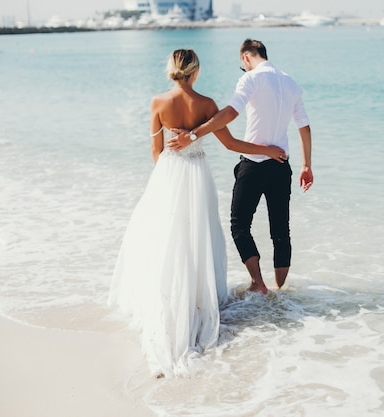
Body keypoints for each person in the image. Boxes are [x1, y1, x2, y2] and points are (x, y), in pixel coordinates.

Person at [108, 49, 286, 378]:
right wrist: (268, 150)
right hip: (197, 176)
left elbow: (155, 149)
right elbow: (232, 145)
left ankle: (170, 299)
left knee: (168, 238)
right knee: (198, 237)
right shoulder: (206, 105)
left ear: (173, 70)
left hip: (168, 175)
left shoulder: (157, 102)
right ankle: (198, 299)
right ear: (196, 71)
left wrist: (163, 181)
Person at [168, 39, 313, 294]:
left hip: (254, 166)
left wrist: (192, 135)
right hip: (282, 164)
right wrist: (307, 165)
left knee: (239, 225)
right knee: (281, 230)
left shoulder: (251, 78)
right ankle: (279, 293)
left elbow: (231, 113)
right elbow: (303, 125)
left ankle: (258, 284)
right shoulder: (291, 83)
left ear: (246, 57)